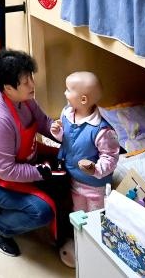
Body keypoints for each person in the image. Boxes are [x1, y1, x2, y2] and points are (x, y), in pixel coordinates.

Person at [0, 50, 64, 258]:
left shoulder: (24, 97)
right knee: (41, 211)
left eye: (31, 77)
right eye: (26, 82)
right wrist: (41, 172)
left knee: (64, 168)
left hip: (22, 160)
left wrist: (63, 135)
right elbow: (6, 170)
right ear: (8, 88)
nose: (32, 84)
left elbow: (43, 122)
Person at [51, 70, 120, 267]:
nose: (64, 93)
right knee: (77, 213)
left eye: (68, 90)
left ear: (83, 99)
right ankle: (79, 243)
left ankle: (96, 249)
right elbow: (68, 139)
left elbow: (110, 157)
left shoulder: (102, 130)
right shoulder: (67, 113)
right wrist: (57, 132)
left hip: (94, 186)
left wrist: (95, 169)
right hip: (73, 179)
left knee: (95, 216)